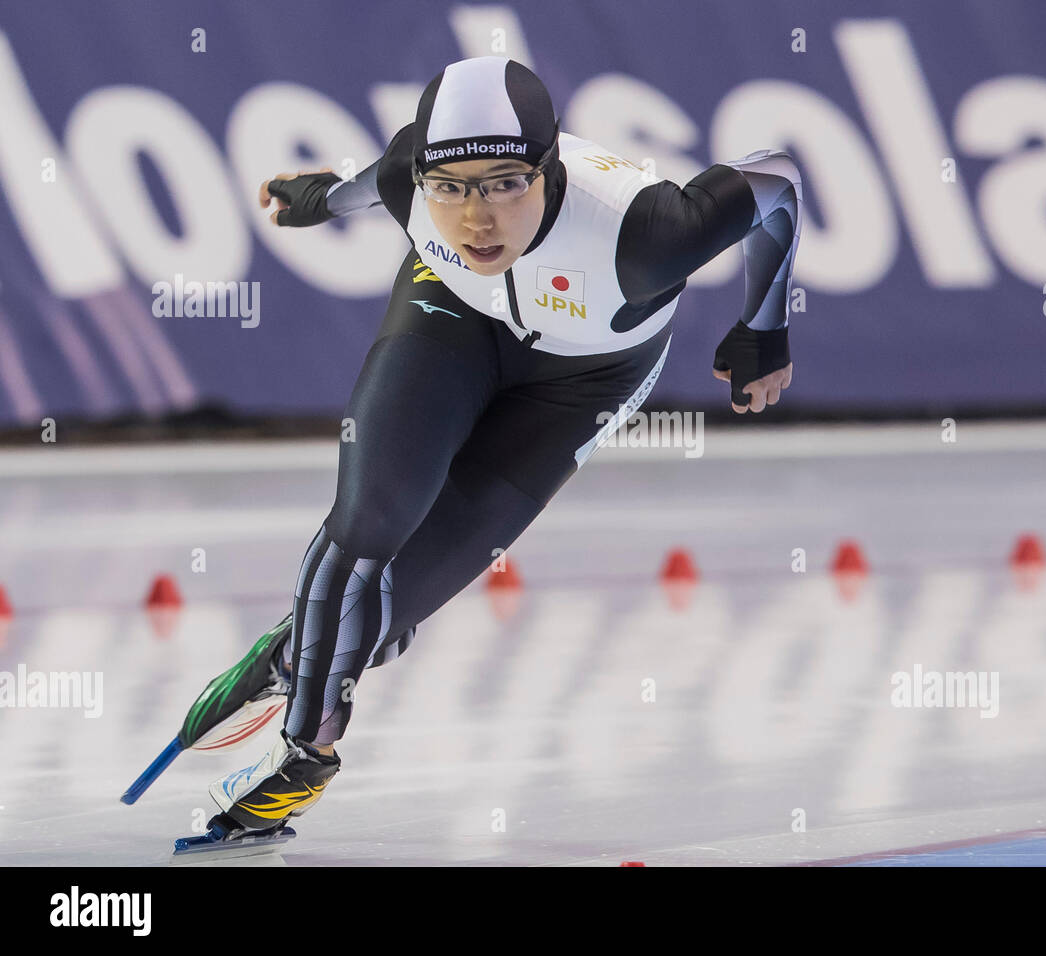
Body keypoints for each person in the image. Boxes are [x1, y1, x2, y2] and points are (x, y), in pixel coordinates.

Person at [195, 55, 802, 842]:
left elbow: (778, 183)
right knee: (369, 517)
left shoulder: (647, 233)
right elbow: (372, 178)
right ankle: (308, 751)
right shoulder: (407, 181)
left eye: (505, 183)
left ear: (550, 171)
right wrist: (317, 199)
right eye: (449, 187)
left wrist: (766, 325)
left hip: (584, 381)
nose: (476, 219)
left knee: (390, 607)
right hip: (451, 316)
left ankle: (301, 650)